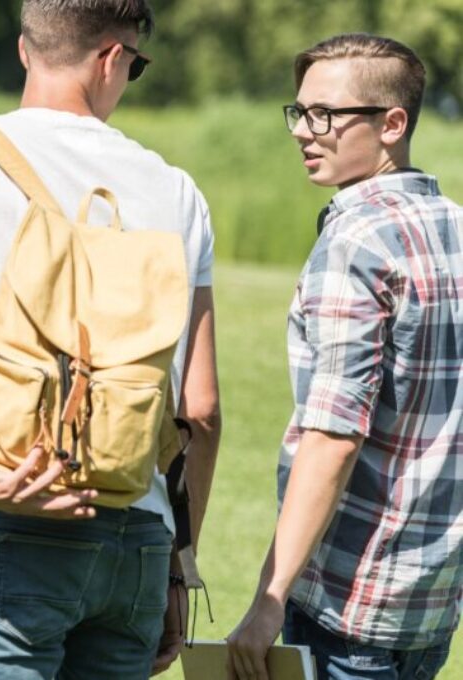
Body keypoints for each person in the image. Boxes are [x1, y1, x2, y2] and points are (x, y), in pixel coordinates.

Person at [0, 0, 221, 676]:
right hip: (140, 534)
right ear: (112, 56)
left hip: (27, 501)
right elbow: (199, 406)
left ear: (26, 49)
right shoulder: (177, 190)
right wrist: (178, 563)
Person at [227, 34, 463, 680]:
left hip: (346, 613)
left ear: (392, 124)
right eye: (299, 112)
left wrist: (269, 599)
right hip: (433, 611)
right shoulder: (458, 227)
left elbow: (333, 435)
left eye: (325, 115)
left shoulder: (356, 240)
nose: (305, 131)